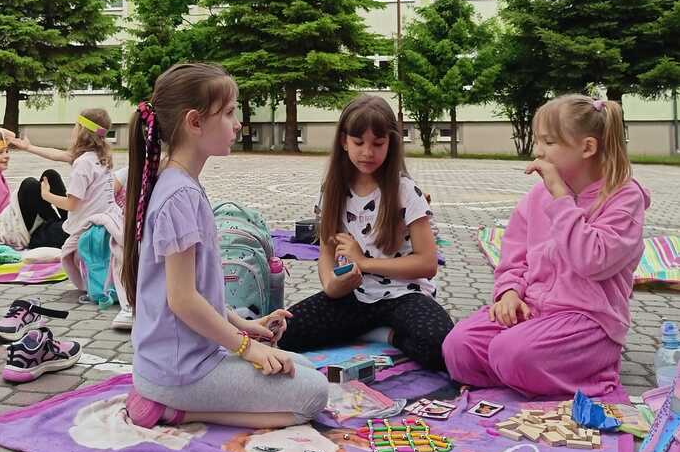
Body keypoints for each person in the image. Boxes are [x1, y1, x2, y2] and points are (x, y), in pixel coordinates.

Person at [123, 61, 329, 429]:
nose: (238, 124)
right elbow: (182, 300)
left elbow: (198, 291)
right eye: (230, 112)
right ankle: (170, 411)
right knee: (313, 394)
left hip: (179, 362)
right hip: (179, 372)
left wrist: (243, 325)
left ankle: (166, 399)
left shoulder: (179, 184)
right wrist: (246, 348)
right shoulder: (179, 195)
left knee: (305, 367)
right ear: (195, 122)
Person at [443, 94, 650, 397]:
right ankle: (519, 374)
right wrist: (509, 293)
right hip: (534, 310)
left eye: (549, 142)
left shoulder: (624, 198)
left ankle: (596, 370)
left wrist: (561, 198)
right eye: (537, 140)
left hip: (589, 321)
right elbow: (513, 258)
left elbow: (591, 260)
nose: (538, 151)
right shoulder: (536, 197)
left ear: (587, 148)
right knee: (458, 346)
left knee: (512, 353)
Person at [278, 95, 453, 371]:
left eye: (378, 144)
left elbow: (427, 263)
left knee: (440, 347)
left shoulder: (406, 191)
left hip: (403, 294)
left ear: (391, 143)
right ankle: (371, 330)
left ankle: (385, 334)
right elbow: (326, 253)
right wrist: (331, 285)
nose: (368, 152)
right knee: (285, 332)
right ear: (344, 141)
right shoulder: (333, 191)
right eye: (359, 143)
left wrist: (364, 262)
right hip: (356, 295)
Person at [12, 111, 131, 325]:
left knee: (67, 251)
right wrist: (29, 147)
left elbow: (71, 204)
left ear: (82, 131)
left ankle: (99, 288)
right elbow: (57, 155)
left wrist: (46, 195)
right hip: (106, 219)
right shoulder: (100, 157)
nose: (73, 129)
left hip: (88, 225)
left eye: (76, 125)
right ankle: (103, 283)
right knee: (94, 257)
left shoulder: (82, 164)